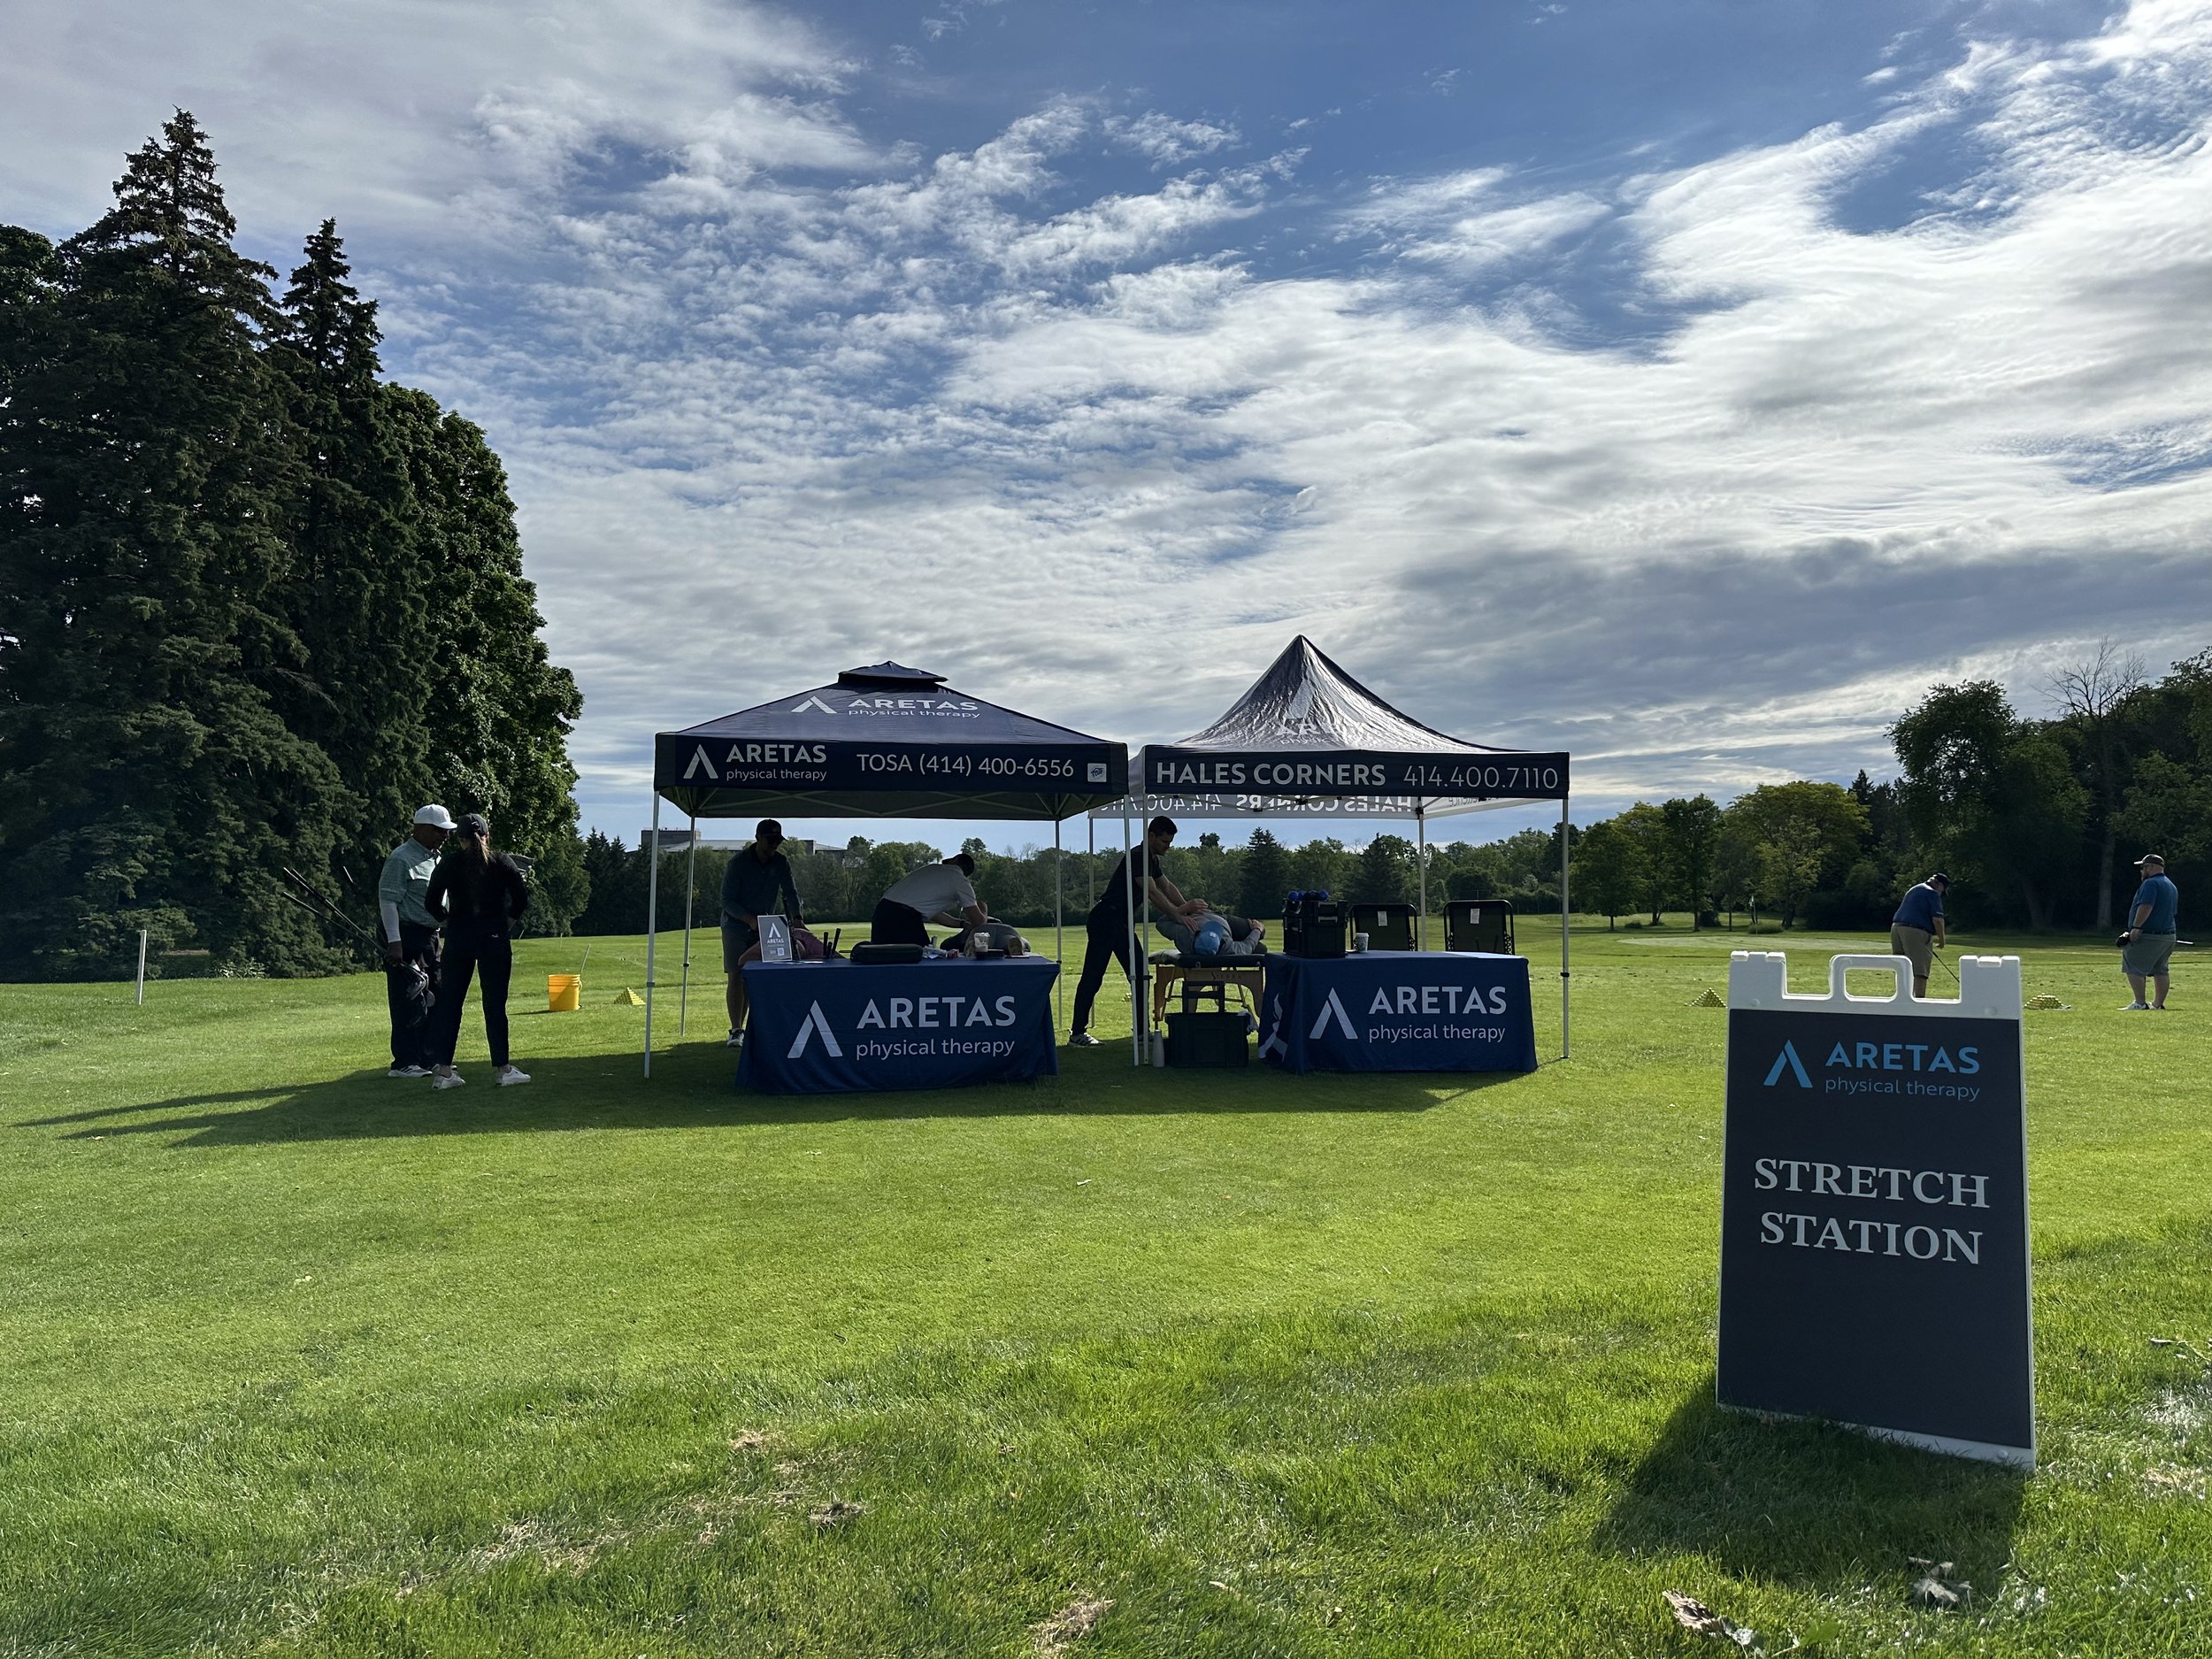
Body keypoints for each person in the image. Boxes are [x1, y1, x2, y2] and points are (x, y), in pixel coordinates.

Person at [1068, 815, 1209, 1046]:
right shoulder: (1138, 855)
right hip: (1106, 919)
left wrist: (1188, 912)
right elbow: (1151, 892)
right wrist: (1179, 915)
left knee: (1141, 975)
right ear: (1151, 836)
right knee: (1093, 976)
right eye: (1165, 842)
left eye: (1170, 843)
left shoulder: (1151, 859)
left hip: (1121, 921)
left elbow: (1167, 886)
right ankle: (1077, 1034)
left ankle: (1142, 1032)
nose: (1168, 847)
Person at [424, 812, 532, 1089]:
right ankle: (503, 1068)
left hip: (459, 938)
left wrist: (449, 920)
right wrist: (506, 922)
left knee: (451, 1004)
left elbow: (431, 901)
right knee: (495, 1004)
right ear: (486, 835)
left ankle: (445, 1071)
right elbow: (521, 897)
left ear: (459, 838)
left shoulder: (450, 862)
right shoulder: (500, 861)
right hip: (494, 938)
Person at [377, 804, 454, 1077]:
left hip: (430, 937)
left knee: (435, 996)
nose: (444, 836)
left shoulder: (436, 858)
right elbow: (388, 902)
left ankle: (428, 1057)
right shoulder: (401, 858)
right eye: (438, 831)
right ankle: (405, 1062)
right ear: (420, 828)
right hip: (405, 935)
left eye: (446, 832)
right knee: (408, 998)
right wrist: (394, 941)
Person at [722, 818, 804, 1048]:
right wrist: (749, 920)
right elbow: (726, 900)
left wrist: (797, 918)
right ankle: (736, 1030)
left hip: (767, 926)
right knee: (736, 974)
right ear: (758, 838)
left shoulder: (781, 862)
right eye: (770, 840)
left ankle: (753, 1027)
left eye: (778, 840)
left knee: (756, 976)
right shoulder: (737, 864)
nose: (774, 845)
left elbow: (790, 892)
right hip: (736, 926)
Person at [873, 853, 988, 947]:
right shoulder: (960, 880)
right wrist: (983, 908)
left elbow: (932, 913)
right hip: (904, 918)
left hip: (882, 913)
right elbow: (978, 922)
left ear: (955, 860)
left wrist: (961, 924)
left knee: (882, 958)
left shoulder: (931, 869)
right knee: (922, 960)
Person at [2121, 852, 2179, 1010]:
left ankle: (2140, 1003)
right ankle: (2157, 1004)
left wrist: (2136, 927)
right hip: (2168, 936)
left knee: (2133, 964)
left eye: (2143, 868)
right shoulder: (2170, 885)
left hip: (2149, 935)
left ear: (2151, 867)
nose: (2141, 871)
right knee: (2161, 969)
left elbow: (2146, 906)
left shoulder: (2150, 884)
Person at [1889, 872, 1949, 998]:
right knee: (1919, 969)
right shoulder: (1932, 893)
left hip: (1896, 928)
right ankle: (1919, 1000)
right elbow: (1938, 920)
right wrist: (1942, 940)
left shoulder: (1914, 889)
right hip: (1916, 931)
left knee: (1902, 966)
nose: (1940, 895)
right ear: (1939, 885)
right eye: (1942, 892)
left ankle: (1902, 998)